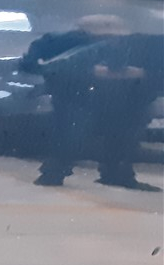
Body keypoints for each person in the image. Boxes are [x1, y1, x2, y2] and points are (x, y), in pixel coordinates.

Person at [22, 14, 163, 191]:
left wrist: (141, 74)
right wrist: (88, 72)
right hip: (77, 96)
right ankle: (54, 172)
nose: (108, 42)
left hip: (128, 98)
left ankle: (116, 173)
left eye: (113, 38)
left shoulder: (147, 46)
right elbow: (36, 65)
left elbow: (159, 71)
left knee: (125, 135)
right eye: (100, 38)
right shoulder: (60, 42)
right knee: (71, 133)